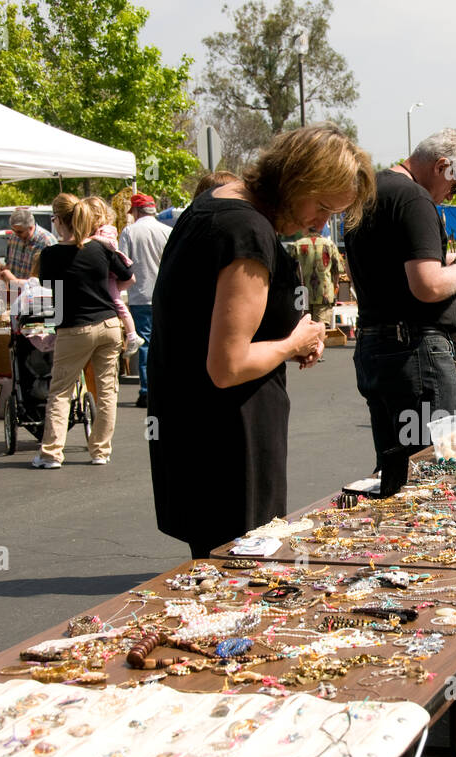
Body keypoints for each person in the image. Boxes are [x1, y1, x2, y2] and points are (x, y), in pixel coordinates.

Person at [149, 123, 374, 557]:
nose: (321, 223)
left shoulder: (215, 204)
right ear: (296, 180)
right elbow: (227, 365)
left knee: (219, 572)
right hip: (231, 444)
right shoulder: (246, 230)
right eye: (323, 207)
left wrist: (291, 337)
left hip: (197, 434)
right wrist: (294, 342)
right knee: (240, 574)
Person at [346, 128, 456, 480]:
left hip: (375, 346)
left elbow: (358, 271)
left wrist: (445, 264)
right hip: (414, 351)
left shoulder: (367, 192)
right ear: (443, 166)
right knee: (435, 472)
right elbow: (427, 286)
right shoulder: (414, 199)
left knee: (394, 473)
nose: (451, 194)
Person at [31, 194, 133, 468]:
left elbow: (55, 296)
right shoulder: (100, 248)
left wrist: (54, 328)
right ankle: (100, 450)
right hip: (109, 324)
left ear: (59, 221)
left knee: (61, 390)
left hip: (74, 327)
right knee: (107, 390)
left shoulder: (50, 255)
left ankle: (51, 452)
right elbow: (126, 276)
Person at [119, 191, 173, 408]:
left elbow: (123, 264)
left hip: (140, 295)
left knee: (145, 343)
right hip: (165, 295)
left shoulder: (130, 232)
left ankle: (147, 390)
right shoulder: (167, 231)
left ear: (136, 211)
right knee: (166, 342)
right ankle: (167, 387)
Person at [84, 195, 145, 356]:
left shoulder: (104, 234)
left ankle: (132, 335)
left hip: (87, 324)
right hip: (127, 290)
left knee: (118, 303)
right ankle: (132, 336)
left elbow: (54, 286)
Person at [293, 228, 345, 324]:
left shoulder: (297, 245)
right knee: (321, 327)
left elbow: (289, 270)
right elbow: (337, 269)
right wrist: (336, 284)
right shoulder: (329, 244)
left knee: (303, 327)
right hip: (324, 293)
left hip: (301, 293)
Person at [3, 207, 56, 281]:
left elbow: (52, 279)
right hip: (14, 290)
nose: (16, 234)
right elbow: (8, 264)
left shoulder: (46, 242)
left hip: (37, 291)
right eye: (13, 230)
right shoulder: (13, 238)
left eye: (20, 232)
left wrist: (16, 281)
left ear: (31, 227)